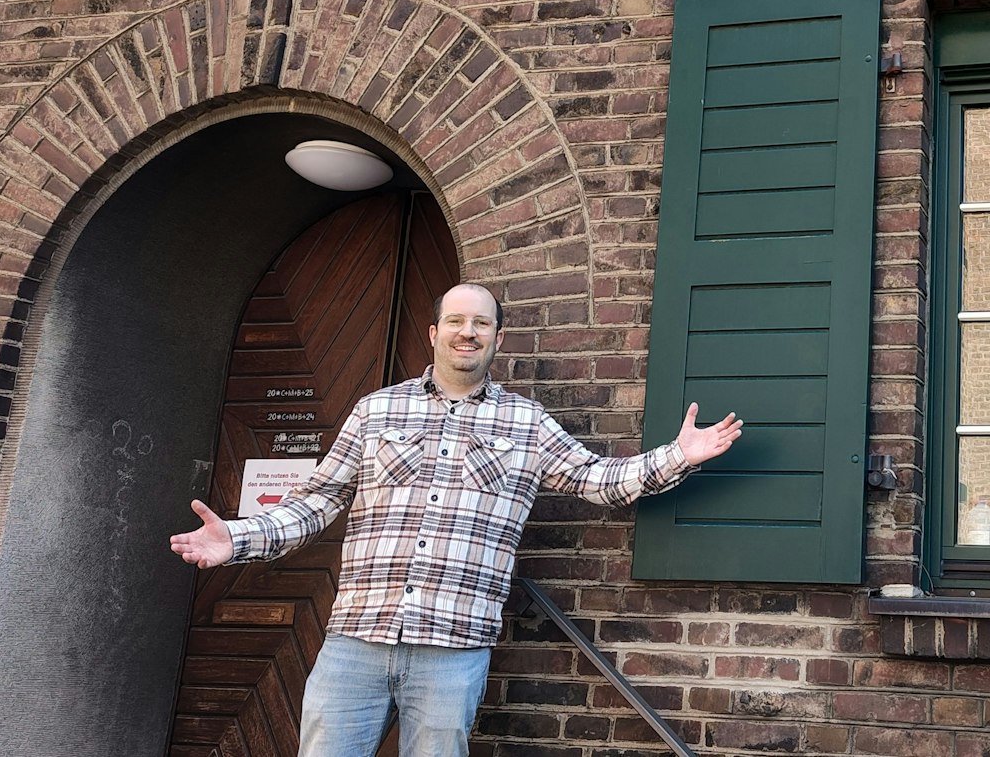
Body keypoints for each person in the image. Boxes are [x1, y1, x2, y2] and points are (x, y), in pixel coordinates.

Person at [169, 282, 742, 757]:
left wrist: (678, 457)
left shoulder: (526, 422)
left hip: (453, 650)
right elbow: (314, 503)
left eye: (482, 323)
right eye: (457, 320)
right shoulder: (377, 410)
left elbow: (598, 481)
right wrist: (237, 537)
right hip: (356, 644)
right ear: (434, 332)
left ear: (498, 337)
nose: (468, 331)